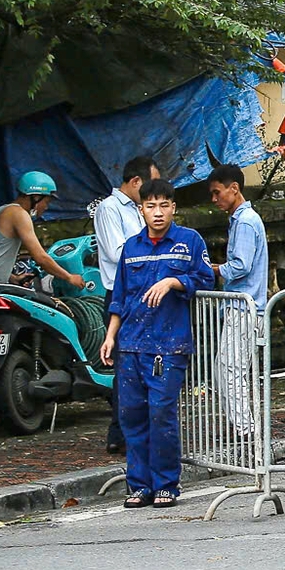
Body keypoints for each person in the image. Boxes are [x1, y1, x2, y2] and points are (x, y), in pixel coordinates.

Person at [98, 178, 214, 508]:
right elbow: (120, 297)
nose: (158, 212)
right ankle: (139, 485)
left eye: (164, 205)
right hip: (131, 343)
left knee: (161, 413)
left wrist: (173, 281)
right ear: (141, 210)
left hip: (169, 344)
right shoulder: (132, 247)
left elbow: (206, 277)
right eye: (151, 206)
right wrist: (110, 336)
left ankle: (166, 483)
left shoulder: (188, 241)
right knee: (131, 415)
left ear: (173, 208)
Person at [0, 172, 85, 432]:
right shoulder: (19, 214)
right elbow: (39, 255)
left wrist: (13, 277)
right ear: (35, 196)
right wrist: (69, 276)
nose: (46, 206)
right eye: (46, 200)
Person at [90, 156, 161, 454]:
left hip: (146, 292)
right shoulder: (109, 209)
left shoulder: (137, 209)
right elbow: (118, 252)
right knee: (126, 367)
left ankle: (139, 428)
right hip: (122, 294)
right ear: (135, 182)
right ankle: (119, 431)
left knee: (147, 363)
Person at [207, 163, 267, 442]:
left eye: (218, 192)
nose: (215, 199)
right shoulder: (243, 219)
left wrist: (215, 269)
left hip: (244, 306)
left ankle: (246, 429)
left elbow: (240, 266)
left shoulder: (244, 221)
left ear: (234, 189)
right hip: (244, 306)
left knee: (230, 370)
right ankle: (244, 426)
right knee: (231, 369)